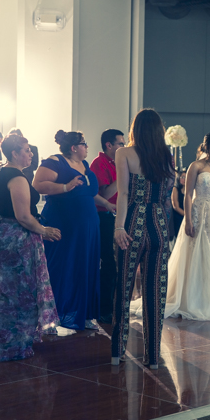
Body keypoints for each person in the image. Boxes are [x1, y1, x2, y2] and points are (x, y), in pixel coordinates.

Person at [0, 134, 62, 362]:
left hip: (2, 234)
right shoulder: (16, 177)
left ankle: (1, 338)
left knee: (2, 291)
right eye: (26, 150)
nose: (31, 154)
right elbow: (23, 216)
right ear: (14, 153)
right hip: (14, 239)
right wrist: (44, 231)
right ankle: (11, 342)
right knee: (16, 291)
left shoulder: (6, 172)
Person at [137, 132, 210, 321]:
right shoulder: (196, 166)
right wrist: (189, 220)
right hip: (200, 213)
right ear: (207, 146)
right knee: (200, 254)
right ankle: (197, 299)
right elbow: (188, 194)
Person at [33, 130, 115, 335]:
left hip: (88, 226)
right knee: (61, 266)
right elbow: (38, 185)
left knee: (86, 267)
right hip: (64, 223)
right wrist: (65, 186)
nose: (87, 147)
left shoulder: (85, 165)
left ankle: (83, 314)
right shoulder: (55, 162)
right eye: (84, 144)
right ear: (74, 147)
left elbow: (88, 193)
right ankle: (52, 316)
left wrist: (107, 204)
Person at [111, 109, 175, 370]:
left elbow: (123, 193)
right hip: (159, 225)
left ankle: (117, 352)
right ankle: (153, 357)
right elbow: (167, 198)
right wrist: (166, 231)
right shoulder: (166, 156)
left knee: (124, 288)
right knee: (155, 293)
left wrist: (118, 227)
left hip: (132, 225)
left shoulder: (124, 153)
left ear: (135, 128)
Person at [90, 128, 125, 324]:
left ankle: (114, 306)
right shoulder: (99, 163)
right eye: (120, 143)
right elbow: (103, 194)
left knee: (118, 263)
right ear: (109, 145)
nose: (123, 147)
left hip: (118, 216)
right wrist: (122, 175)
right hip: (104, 216)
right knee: (109, 263)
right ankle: (104, 309)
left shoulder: (117, 162)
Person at [170, 169, 186, 238]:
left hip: (187, 216)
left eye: (186, 177)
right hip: (178, 216)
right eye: (183, 177)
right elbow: (175, 206)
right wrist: (186, 215)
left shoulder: (189, 190)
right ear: (178, 178)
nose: (185, 179)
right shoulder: (175, 189)